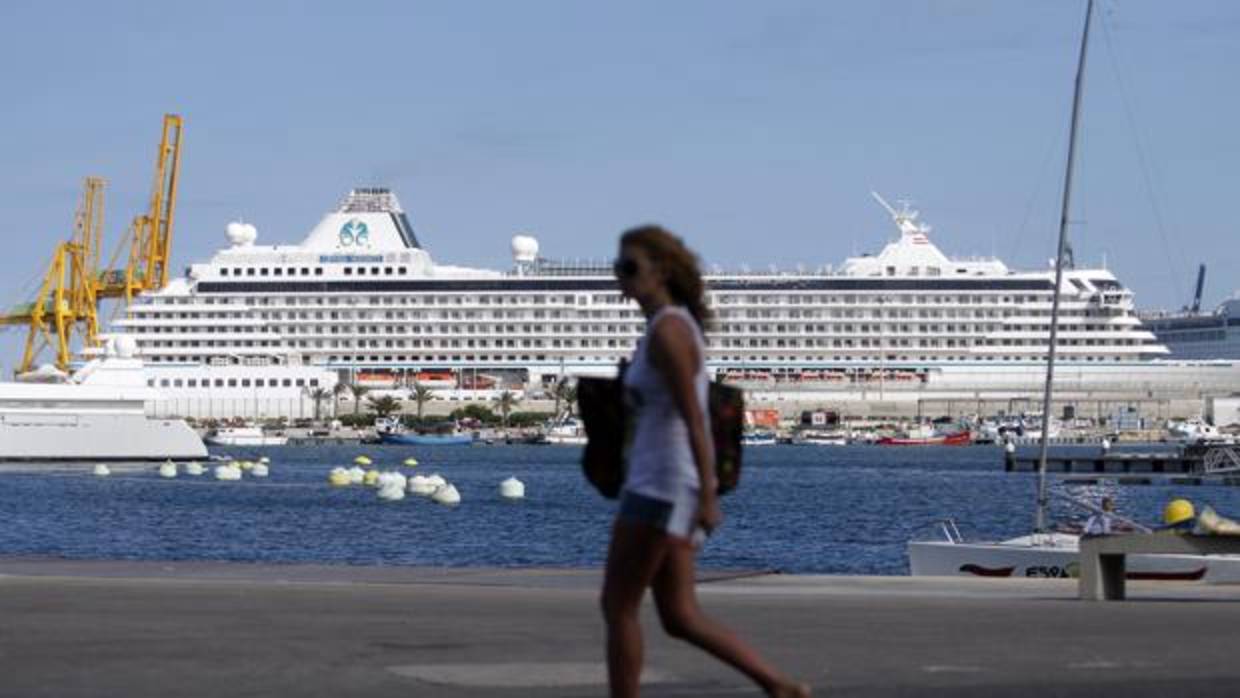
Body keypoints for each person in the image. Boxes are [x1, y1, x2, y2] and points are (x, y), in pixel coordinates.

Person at [600, 225, 809, 698]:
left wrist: (708, 496)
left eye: (630, 268)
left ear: (663, 271)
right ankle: (780, 686)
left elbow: (696, 419)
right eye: (618, 268)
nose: (621, 278)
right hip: (668, 484)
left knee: (618, 606)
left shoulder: (670, 330)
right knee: (679, 616)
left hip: (660, 486)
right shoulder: (665, 327)